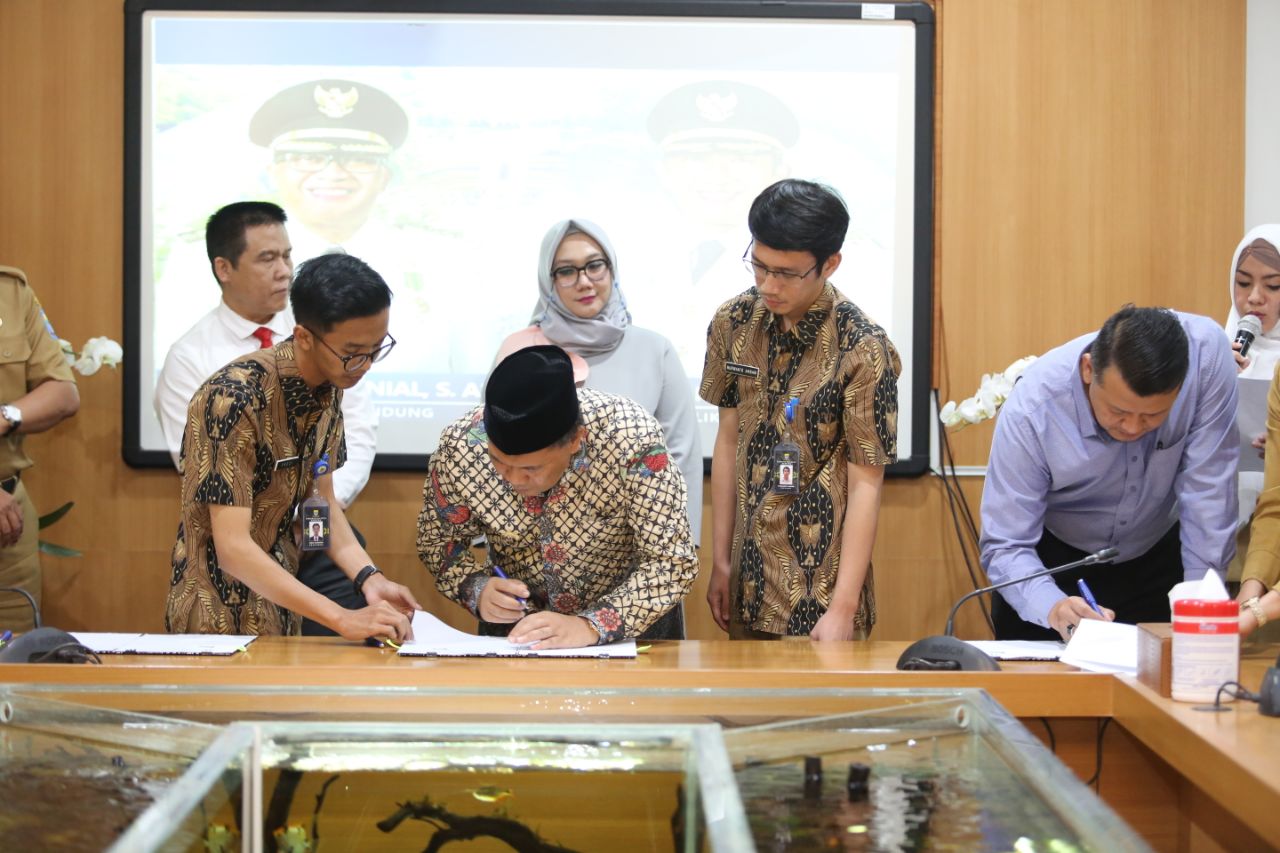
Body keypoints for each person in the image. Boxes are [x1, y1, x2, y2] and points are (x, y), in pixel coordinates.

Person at [154, 201, 380, 635]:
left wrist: (369, 578)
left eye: (287, 255)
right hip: (224, 605)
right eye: (266, 258)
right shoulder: (229, 391)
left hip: (297, 567)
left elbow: (321, 498)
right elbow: (234, 546)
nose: (363, 365)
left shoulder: (327, 379)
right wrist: (341, 617)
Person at [700, 179, 901, 641]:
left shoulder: (863, 348)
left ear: (829, 263)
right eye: (759, 266)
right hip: (746, 584)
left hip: (822, 597)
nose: (769, 285)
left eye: (787, 273)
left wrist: (844, 608)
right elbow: (728, 441)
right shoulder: (733, 323)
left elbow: (867, 483)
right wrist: (722, 562)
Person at [980, 306, 1238, 642]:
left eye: (1152, 417)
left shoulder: (1205, 360)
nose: (1132, 427)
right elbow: (1005, 543)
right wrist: (1054, 606)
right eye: (1118, 411)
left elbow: (1210, 495)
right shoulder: (1034, 409)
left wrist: (1202, 609)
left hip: (1159, 553)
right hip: (1054, 565)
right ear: (1089, 369)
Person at [417, 345, 698, 648]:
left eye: (530, 469)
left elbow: (671, 560)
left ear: (576, 440)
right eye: (498, 462)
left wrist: (590, 625)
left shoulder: (629, 437)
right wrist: (477, 588)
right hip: (521, 638)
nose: (512, 479)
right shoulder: (460, 447)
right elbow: (437, 541)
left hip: (632, 635)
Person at [494, 218, 703, 542]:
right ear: (548, 279)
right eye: (566, 271)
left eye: (595, 265)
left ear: (611, 268)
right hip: (536, 552)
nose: (584, 281)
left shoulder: (653, 349)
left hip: (637, 550)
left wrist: (679, 549)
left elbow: (680, 455)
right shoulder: (519, 349)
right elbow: (492, 452)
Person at [0, 266, 80, 631]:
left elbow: (62, 393)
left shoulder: (11, 292)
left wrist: (5, 416)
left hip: (8, 526)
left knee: (15, 664)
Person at [1223, 226, 1280, 590]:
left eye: (1273, 286)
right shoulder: (1212, 351)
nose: (1254, 298)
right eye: (1243, 283)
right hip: (1217, 535)